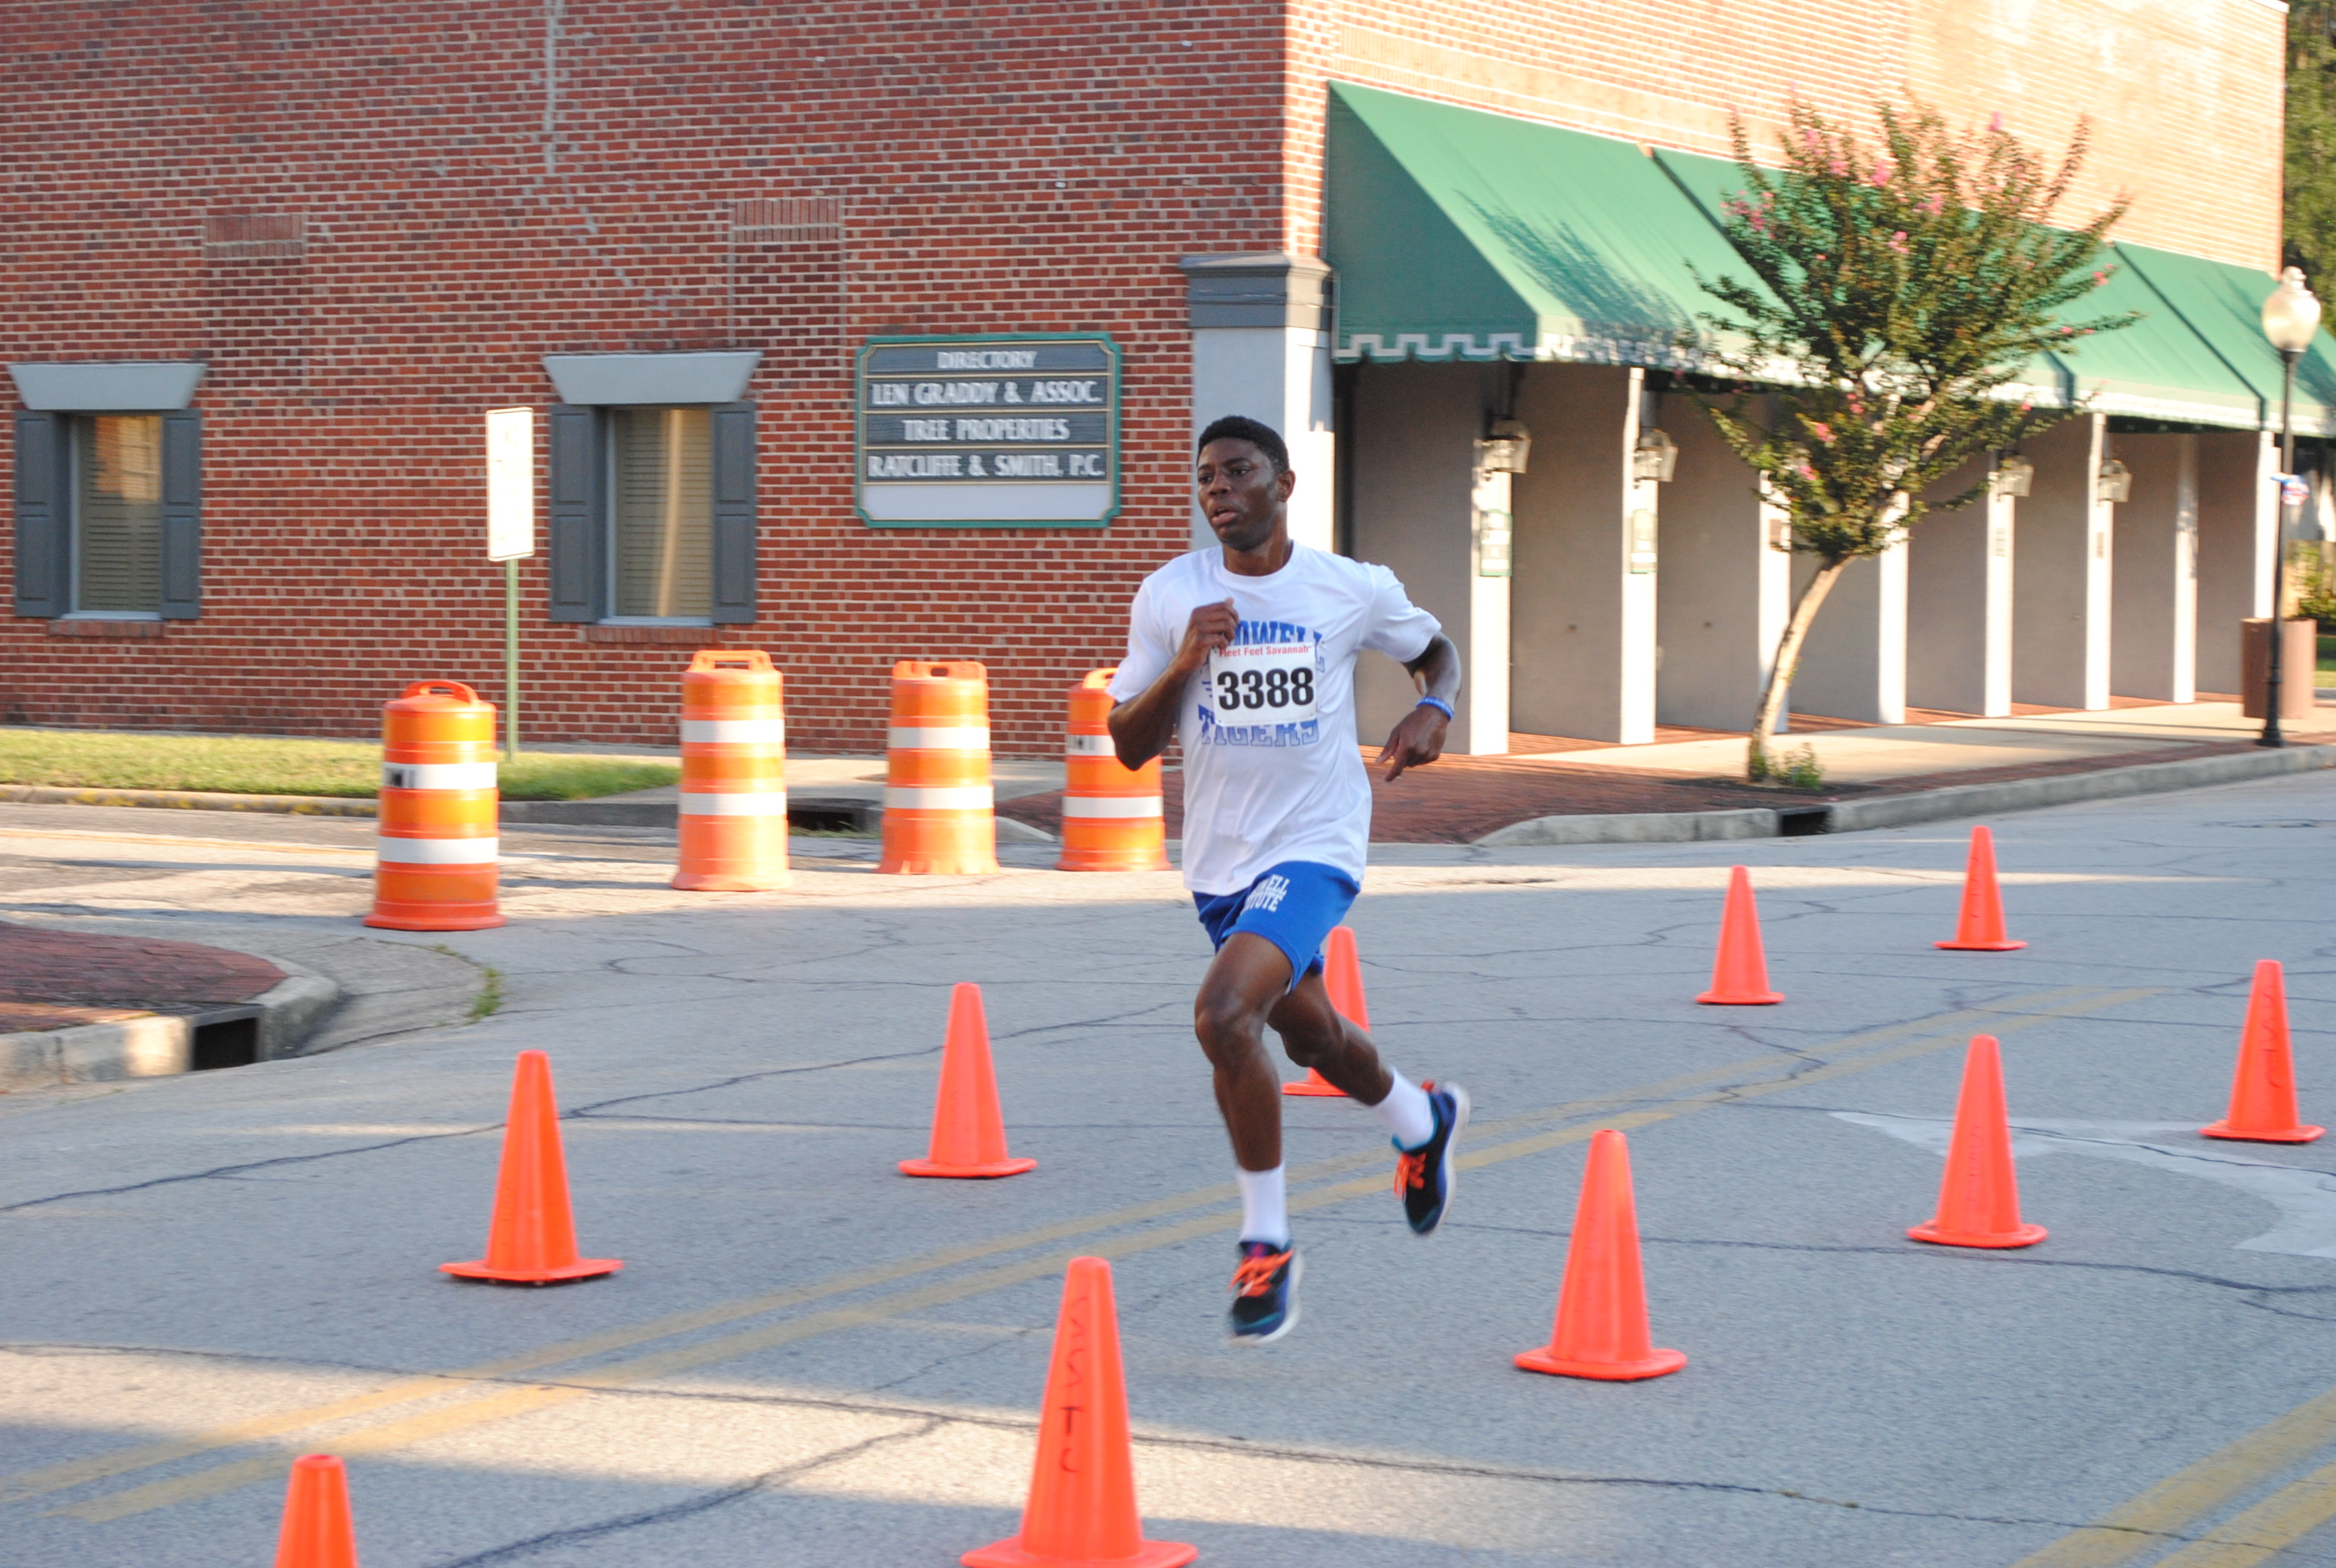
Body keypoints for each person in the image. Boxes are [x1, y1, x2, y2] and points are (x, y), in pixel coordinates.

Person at [1106, 414, 1467, 1345]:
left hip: (1315, 841)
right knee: (1308, 1040)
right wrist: (1186, 660)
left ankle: (1264, 1243)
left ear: (1284, 483)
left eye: (1237, 472)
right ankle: (1419, 1118)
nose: (1218, 490)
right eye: (1205, 479)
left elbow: (1435, 647)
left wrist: (1433, 705)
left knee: (1225, 1014)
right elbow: (1127, 748)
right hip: (1219, 861)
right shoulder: (1168, 597)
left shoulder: (1347, 587)